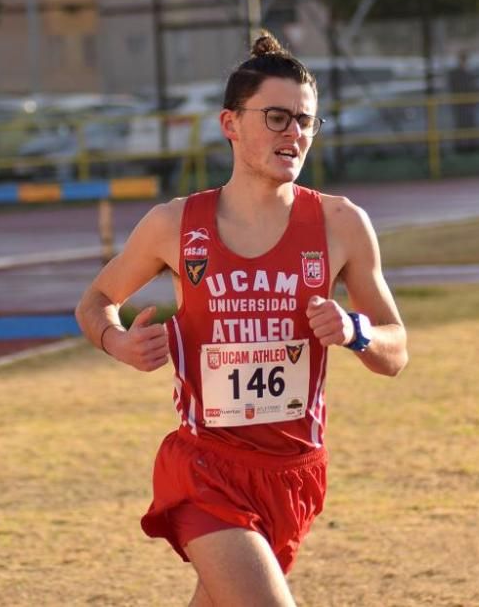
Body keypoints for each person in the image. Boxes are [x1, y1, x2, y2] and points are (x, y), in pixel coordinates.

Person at [75, 31, 408, 606]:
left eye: (306, 121)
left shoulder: (340, 224)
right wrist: (117, 341)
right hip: (205, 466)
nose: (294, 134)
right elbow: (94, 301)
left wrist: (354, 331)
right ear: (231, 124)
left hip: (294, 471)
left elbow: (396, 351)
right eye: (276, 118)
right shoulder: (175, 224)